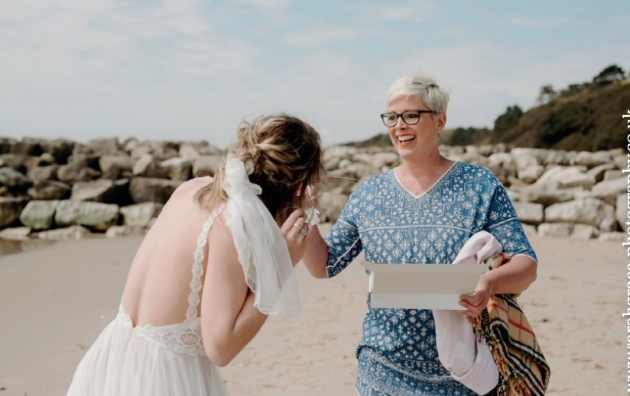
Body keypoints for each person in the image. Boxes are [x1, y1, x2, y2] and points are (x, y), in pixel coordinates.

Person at [302, 73, 539, 396]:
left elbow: (526, 264)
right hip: (381, 372)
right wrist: (306, 214)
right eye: (392, 117)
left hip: (463, 376)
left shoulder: (479, 185)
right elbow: (325, 265)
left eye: (411, 115)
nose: (399, 125)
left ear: (440, 121)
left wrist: (488, 284)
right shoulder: (369, 193)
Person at [66, 114, 325, 396]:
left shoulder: (191, 188)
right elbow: (221, 348)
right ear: (298, 184)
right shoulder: (233, 224)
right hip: (163, 379)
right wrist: (280, 265)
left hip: (111, 362)